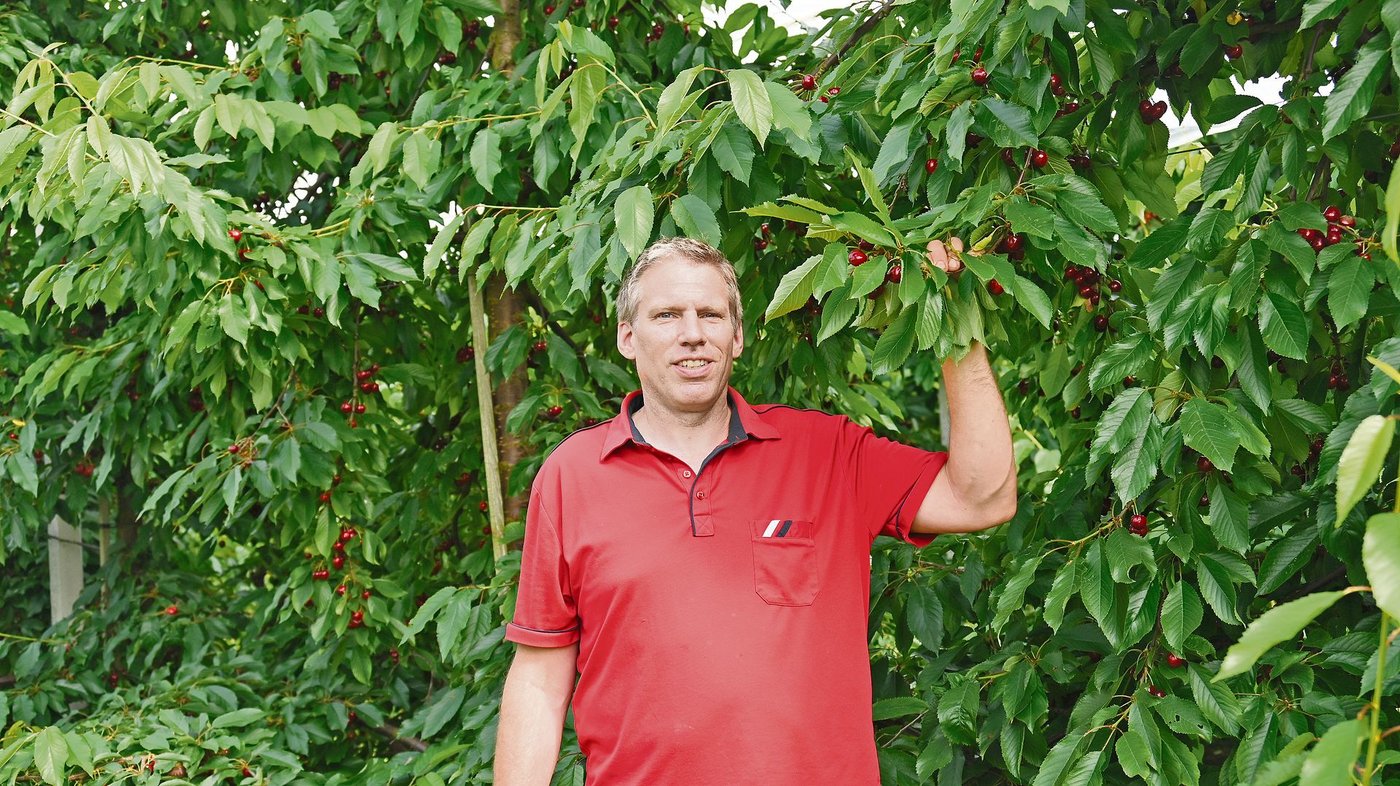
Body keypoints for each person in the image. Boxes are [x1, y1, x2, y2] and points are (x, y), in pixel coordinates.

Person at [493, 236, 1017, 785]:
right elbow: (539, 679)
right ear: (628, 336)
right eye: (667, 314)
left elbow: (983, 496)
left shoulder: (827, 452)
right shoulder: (571, 475)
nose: (692, 333)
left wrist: (956, 320)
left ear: (737, 336)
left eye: (710, 314)